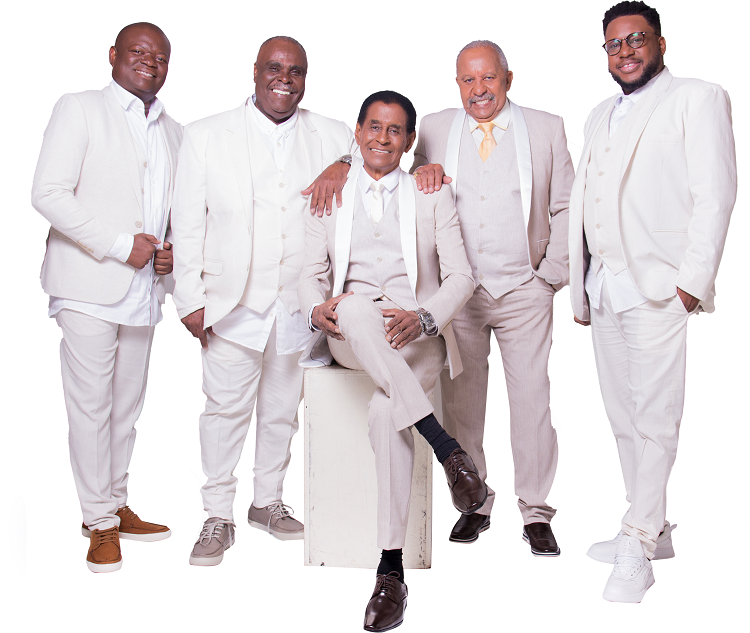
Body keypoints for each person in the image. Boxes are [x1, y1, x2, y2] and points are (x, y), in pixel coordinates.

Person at [569, 1, 736, 603]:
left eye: (636, 39)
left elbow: (716, 193)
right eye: (614, 44)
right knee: (622, 416)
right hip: (604, 285)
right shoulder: (598, 113)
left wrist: (693, 279)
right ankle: (651, 526)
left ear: (661, 43)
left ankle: (638, 543)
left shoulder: (698, 97)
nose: (625, 51)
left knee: (655, 418)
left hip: (659, 283)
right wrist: (581, 280)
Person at [299, 91, 483, 632]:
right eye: (374, 127)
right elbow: (309, 273)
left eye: (395, 130)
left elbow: (462, 277)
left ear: (409, 141)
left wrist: (424, 319)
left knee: (386, 413)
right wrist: (317, 308)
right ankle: (446, 447)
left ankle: (390, 571)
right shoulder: (330, 193)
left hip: (414, 336)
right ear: (357, 133)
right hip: (350, 334)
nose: (383, 138)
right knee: (355, 305)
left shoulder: (431, 194)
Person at [171, 36, 355, 565]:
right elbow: (187, 221)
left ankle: (267, 502)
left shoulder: (332, 134)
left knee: (282, 410)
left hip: (299, 301)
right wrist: (189, 298)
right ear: (255, 72)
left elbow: (375, 157)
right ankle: (217, 514)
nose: (284, 79)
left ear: (306, 79)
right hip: (230, 301)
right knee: (224, 410)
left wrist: (344, 162)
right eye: (274, 68)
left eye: (296, 71)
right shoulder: (206, 135)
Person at [410, 41, 574, 551]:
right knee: (461, 402)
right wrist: (420, 172)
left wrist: (550, 276)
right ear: (457, 83)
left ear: (507, 78)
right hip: (457, 293)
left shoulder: (546, 128)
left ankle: (536, 510)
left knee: (531, 400)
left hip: (524, 287)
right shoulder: (434, 128)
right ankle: (475, 500)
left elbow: (567, 206)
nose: (478, 89)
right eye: (468, 80)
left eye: (488, 78)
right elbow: (405, 189)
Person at [31, 22, 182, 572]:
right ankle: (97, 522)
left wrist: (170, 252)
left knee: (126, 408)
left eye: (160, 57)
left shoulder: (174, 132)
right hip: (87, 287)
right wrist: (121, 245)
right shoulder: (80, 108)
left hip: (143, 294)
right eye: (139, 52)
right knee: (91, 407)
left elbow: (172, 211)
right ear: (114, 55)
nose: (150, 62)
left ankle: (115, 502)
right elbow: (48, 193)